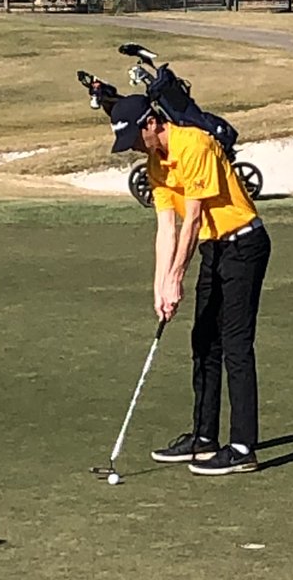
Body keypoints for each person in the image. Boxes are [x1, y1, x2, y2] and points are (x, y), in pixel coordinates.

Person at [108, 93, 271, 475]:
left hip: (244, 242)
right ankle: (203, 437)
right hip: (215, 248)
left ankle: (244, 447)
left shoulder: (194, 143)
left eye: (134, 137)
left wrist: (177, 277)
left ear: (151, 123)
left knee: (235, 344)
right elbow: (167, 227)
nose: (132, 146)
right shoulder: (155, 164)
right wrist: (159, 285)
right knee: (203, 341)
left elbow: (193, 220)